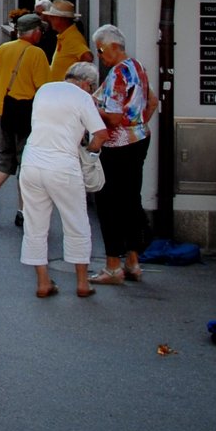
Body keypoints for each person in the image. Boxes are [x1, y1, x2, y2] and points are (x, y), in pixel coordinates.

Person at [19, 61, 108, 298]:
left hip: (31, 162)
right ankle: (82, 283)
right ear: (87, 84)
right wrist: (88, 152)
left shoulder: (45, 90)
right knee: (76, 222)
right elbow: (100, 135)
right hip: (62, 166)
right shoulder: (82, 97)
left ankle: (43, 282)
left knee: (35, 225)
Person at [89, 24, 158, 284]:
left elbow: (115, 117)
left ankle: (112, 267)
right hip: (139, 139)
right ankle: (132, 261)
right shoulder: (137, 67)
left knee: (108, 204)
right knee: (130, 200)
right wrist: (138, 124)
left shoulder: (118, 74)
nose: (99, 55)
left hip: (118, 146)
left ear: (113, 46)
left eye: (101, 49)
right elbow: (152, 102)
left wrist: (93, 108)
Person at [0, 14, 50, 226]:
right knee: (25, 162)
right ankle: (22, 211)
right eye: (40, 31)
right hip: (27, 112)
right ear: (35, 31)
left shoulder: (4, 48)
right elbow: (43, 89)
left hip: (5, 109)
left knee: (5, 155)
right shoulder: (37, 54)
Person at [46, 0, 93, 81]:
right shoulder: (65, 35)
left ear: (63, 19)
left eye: (53, 17)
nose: (50, 19)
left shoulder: (72, 37)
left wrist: (76, 79)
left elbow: (88, 57)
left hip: (65, 89)